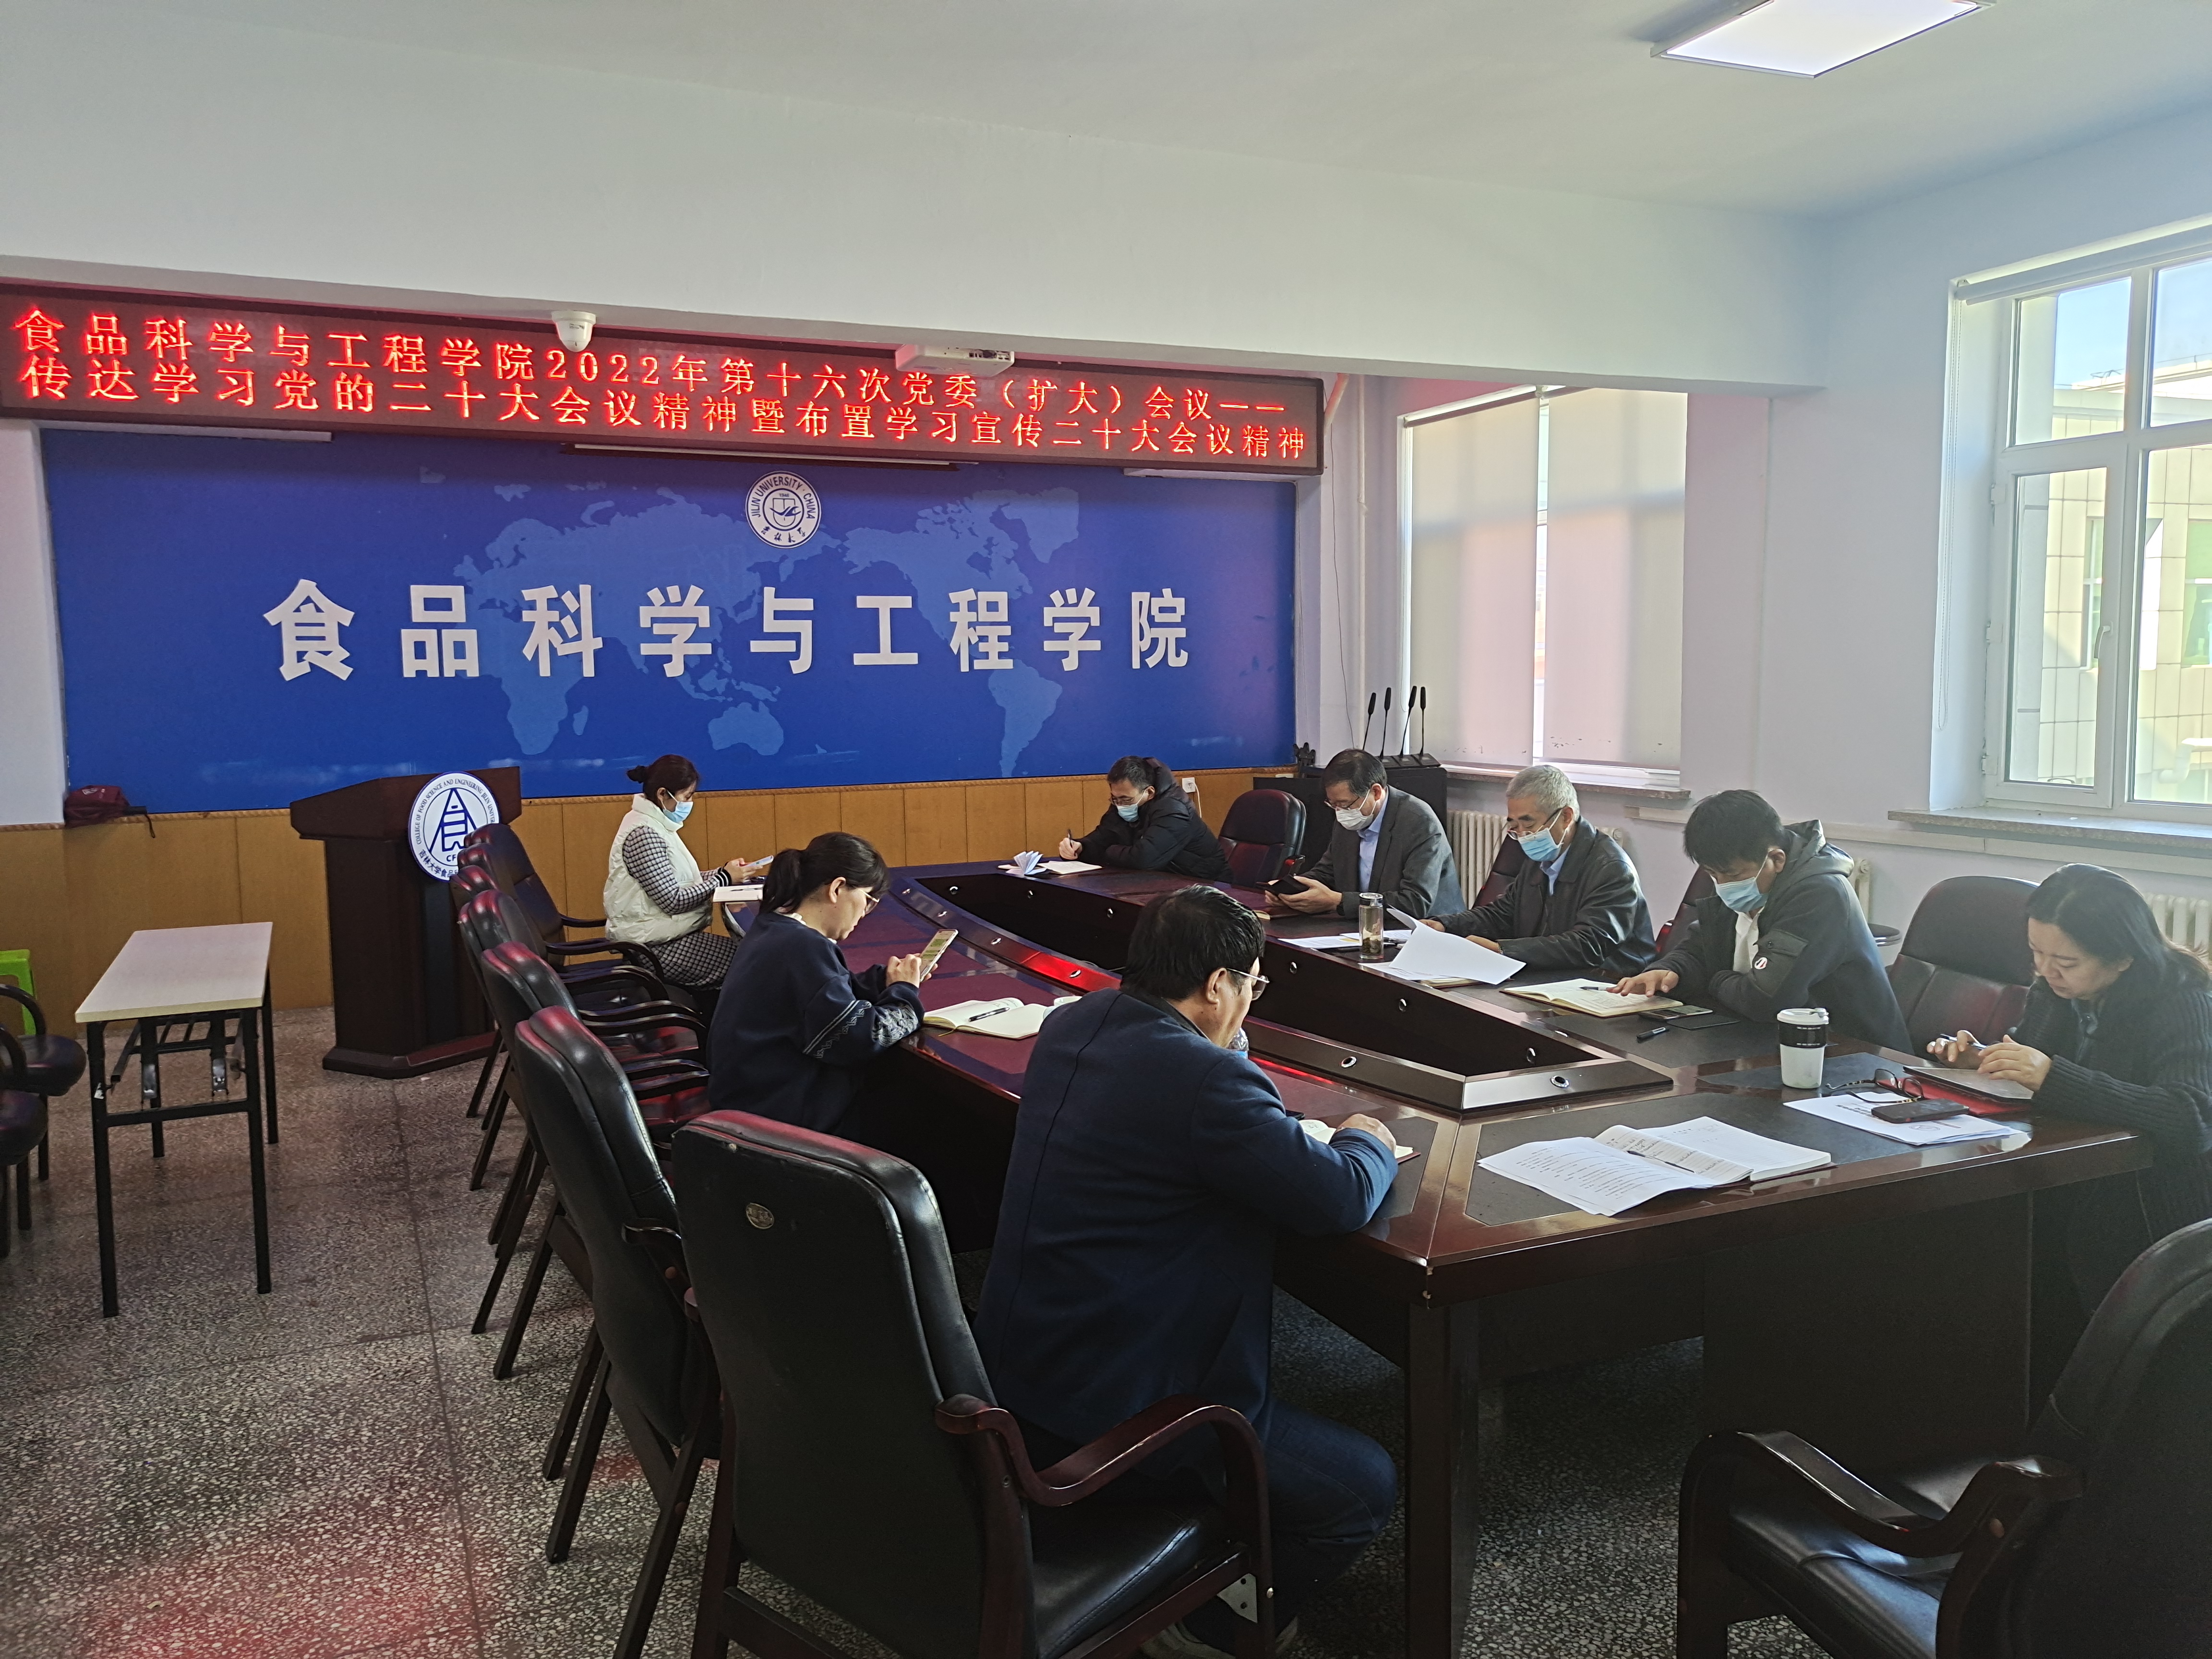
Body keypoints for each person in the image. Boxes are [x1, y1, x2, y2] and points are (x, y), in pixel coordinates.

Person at [977, 885, 1401, 1658]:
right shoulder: (1204, 1084)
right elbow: (1338, 1197)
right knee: (1361, 1488)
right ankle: (1203, 1626)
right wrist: (1367, 1138)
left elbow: (1196, 1096)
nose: (1250, 1002)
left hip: (1018, 1379)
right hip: (1122, 1416)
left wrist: (1224, 1045)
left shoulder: (1075, 1024)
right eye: (1251, 986)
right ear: (1216, 985)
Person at [1928, 864, 2212, 1308]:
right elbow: (2032, 1055)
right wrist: (1983, 1058)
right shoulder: (2056, 991)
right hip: (2068, 1180)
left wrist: (2053, 1077)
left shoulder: (2182, 1002)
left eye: (2066, 963)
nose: (2046, 971)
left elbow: (2189, 1116)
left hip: (2145, 1209)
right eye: (2036, 953)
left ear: (2123, 957)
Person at [1613, 789, 1908, 1049]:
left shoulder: (1820, 895)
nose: (1723, 885)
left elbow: (1765, 1000)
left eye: (1732, 875)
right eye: (1713, 874)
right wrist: (1668, 971)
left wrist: (1716, 978)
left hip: (1852, 1054)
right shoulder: (1741, 879)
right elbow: (1702, 948)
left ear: (1776, 859)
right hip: (1766, 1041)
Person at [706, 831, 932, 1133]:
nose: (865, 913)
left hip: (749, 1105)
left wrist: (885, 980)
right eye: (868, 900)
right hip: (779, 1122)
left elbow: (823, 994)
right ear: (837, 889)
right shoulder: (804, 947)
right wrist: (904, 994)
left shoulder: (774, 926)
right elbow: (861, 1038)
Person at [1424, 764, 1655, 980]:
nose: (1523, 836)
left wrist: (1503, 950)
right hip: (1552, 975)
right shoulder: (1542, 856)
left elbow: (1589, 945)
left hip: (1608, 983)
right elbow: (1504, 914)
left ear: (1566, 817)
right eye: (1514, 825)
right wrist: (1446, 925)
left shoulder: (1611, 868)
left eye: (1529, 824)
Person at [604, 755, 755, 998]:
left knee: (751, 956)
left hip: (665, 937)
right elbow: (673, 900)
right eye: (687, 797)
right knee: (753, 962)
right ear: (663, 794)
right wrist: (725, 878)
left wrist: (724, 872)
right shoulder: (644, 834)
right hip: (656, 949)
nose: (690, 803)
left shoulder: (656, 824)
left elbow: (681, 881)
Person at [1276, 748, 1463, 920]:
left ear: (1376, 792)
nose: (1340, 813)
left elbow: (1414, 902)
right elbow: (1329, 872)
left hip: (1427, 928)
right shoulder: (1350, 816)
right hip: (1365, 925)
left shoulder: (1419, 822)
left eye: (1345, 804)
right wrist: (1293, 889)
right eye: (1334, 805)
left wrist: (1338, 901)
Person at [1058, 755, 1230, 879]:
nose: (1120, 805)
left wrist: (1108, 851)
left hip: (1206, 887)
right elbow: (1103, 837)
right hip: (1160, 881)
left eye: (1125, 799)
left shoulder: (1175, 811)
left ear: (1149, 792)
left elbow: (1143, 859)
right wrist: (1080, 848)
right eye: (1114, 799)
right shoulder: (1125, 802)